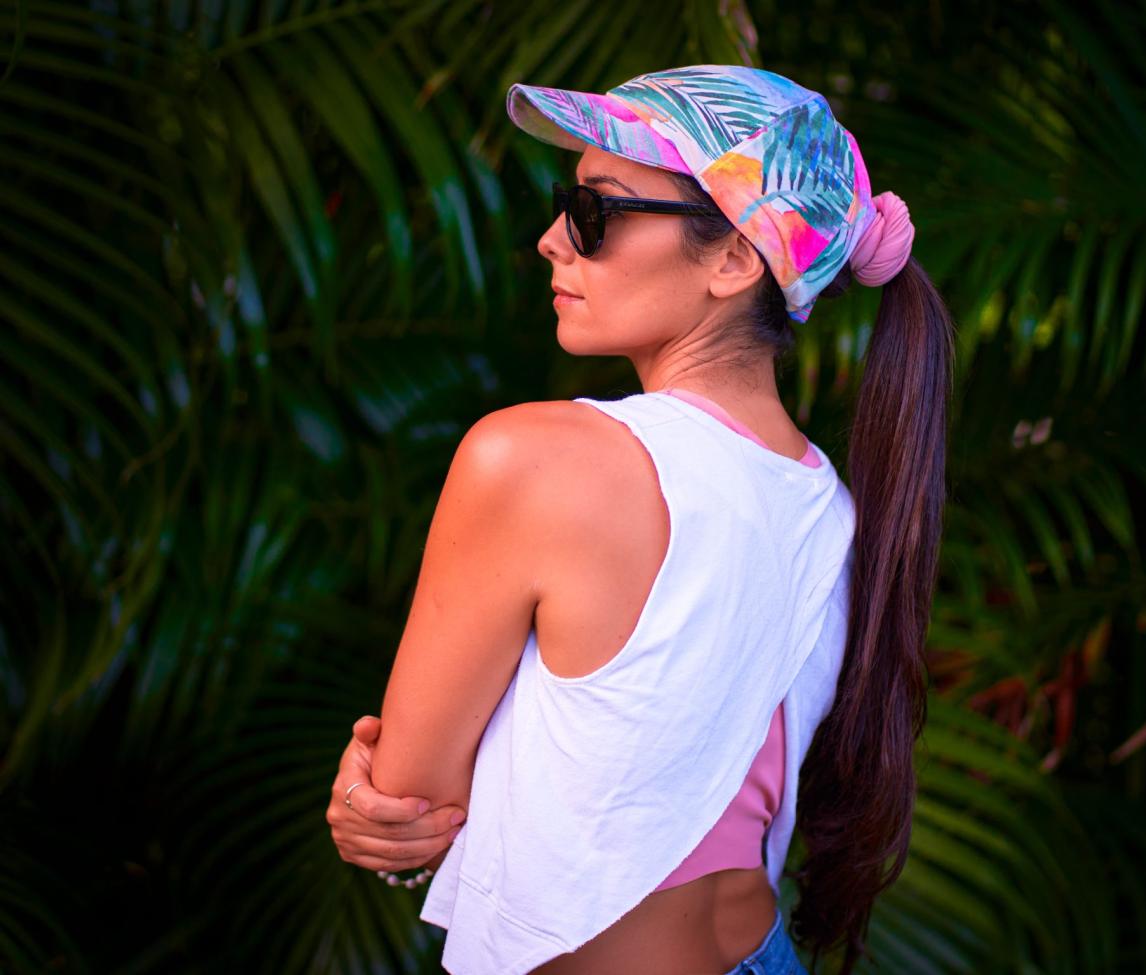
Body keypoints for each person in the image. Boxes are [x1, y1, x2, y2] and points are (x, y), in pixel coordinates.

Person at [325, 64, 954, 975]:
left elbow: (408, 807)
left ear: (737, 257)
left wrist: (366, 806)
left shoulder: (535, 459)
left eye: (595, 212)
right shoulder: (836, 510)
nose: (550, 240)